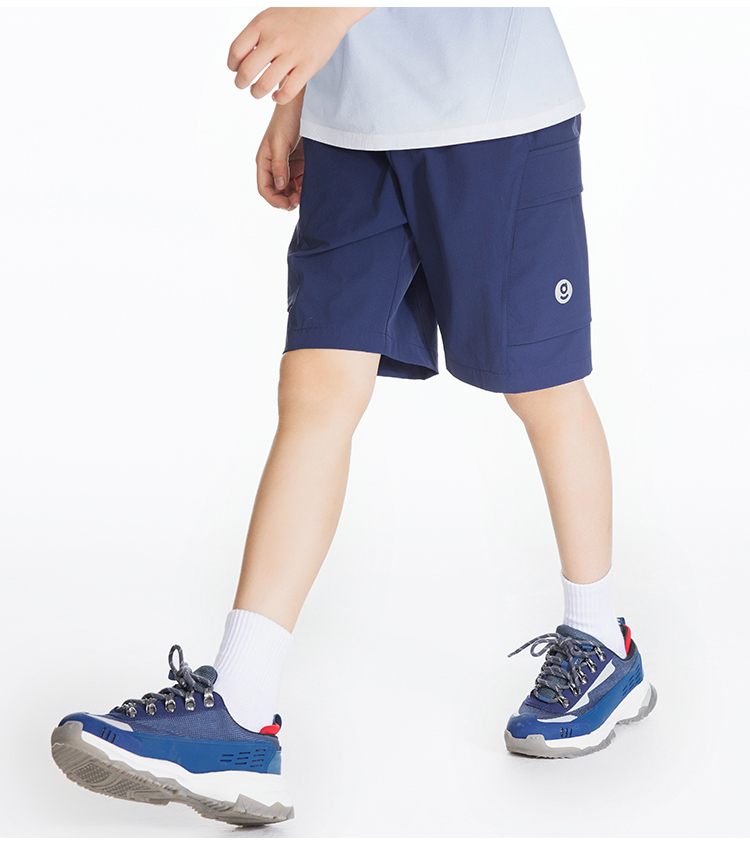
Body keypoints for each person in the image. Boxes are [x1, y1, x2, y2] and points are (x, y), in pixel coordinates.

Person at [50, 6, 657, 827]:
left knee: (542, 387)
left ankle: (602, 639)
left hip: (496, 110)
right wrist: (299, 95)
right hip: (354, 122)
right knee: (315, 390)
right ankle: (240, 706)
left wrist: (325, 18)